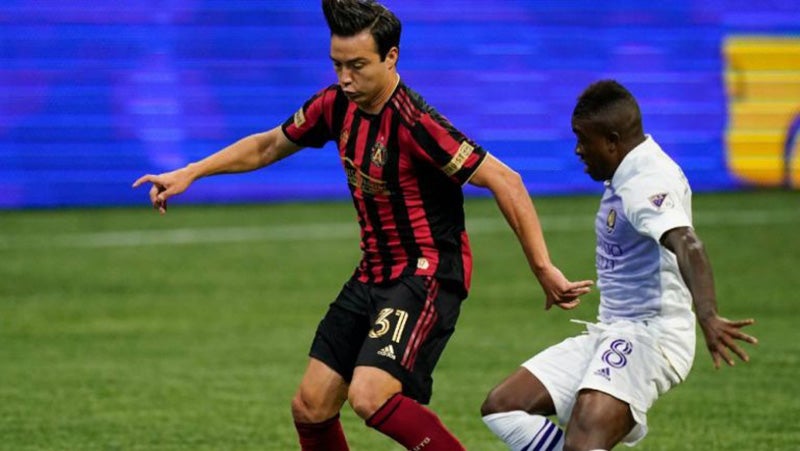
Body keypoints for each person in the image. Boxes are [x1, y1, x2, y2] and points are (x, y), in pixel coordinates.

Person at [132, 1, 593, 450]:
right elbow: (268, 145)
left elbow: (506, 181)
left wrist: (542, 267)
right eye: (337, 65)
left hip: (426, 273)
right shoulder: (334, 106)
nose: (345, 78)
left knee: (370, 396)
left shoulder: (418, 124)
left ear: (391, 58)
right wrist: (191, 171)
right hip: (372, 272)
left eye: (357, 65)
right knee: (310, 406)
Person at [480, 79, 759, 451]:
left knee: (583, 441)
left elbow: (686, 242)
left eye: (584, 140)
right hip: (613, 330)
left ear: (612, 140)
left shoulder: (646, 181)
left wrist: (707, 315)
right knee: (503, 407)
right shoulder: (627, 172)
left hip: (652, 337)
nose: (578, 150)